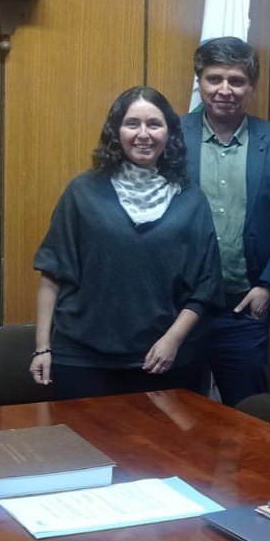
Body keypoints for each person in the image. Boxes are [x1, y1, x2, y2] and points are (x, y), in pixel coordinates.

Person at [31, 87, 222, 398]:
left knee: (164, 448)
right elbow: (52, 275)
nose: (143, 134)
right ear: (115, 131)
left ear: (170, 133)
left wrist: (172, 341)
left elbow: (206, 287)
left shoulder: (191, 199)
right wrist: (42, 349)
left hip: (161, 362)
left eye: (154, 124)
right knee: (78, 448)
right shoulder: (82, 192)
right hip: (82, 360)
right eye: (132, 123)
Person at [180, 36, 270, 405]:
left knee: (246, 420)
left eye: (236, 80)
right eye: (214, 79)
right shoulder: (169, 135)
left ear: (251, 87)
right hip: (178, 307)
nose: (224, 89)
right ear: (198, 82)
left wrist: (268, 285)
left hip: (244, 309)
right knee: (176, 415)